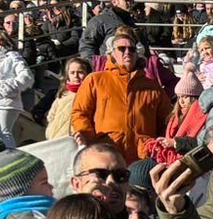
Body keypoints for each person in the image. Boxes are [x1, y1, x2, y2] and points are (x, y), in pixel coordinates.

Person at [70, 28, 171, 163]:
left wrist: (157, 146)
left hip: (142, 158)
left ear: (137, 53)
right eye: (122, 49)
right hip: (106, 155)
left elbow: (166, 121)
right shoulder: (95, 80)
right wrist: (88, 138)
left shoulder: (153, 87)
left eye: (132, 49)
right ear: (112, 53)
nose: (127, 52)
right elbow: (80, 113)